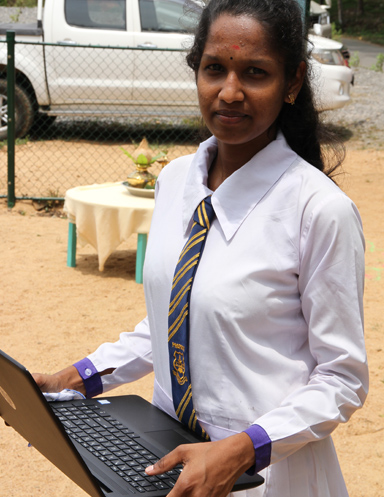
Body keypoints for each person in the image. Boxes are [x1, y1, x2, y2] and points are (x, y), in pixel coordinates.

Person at [34, 0, 368, 496]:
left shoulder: (318, 210)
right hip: (170, 465)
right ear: (197, 72)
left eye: (255, 73)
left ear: (293, 82)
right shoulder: (175, 181)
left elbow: (342, 378)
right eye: (215, 69)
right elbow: (175, 321)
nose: (229, 92)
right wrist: (81, 377)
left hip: (271, 480)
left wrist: (241, 448)